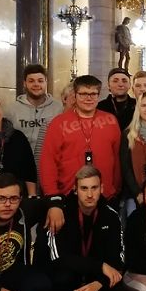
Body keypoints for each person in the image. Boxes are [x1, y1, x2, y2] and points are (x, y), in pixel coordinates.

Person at [36, 166, 124, 291]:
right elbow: (57, 258)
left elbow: (118, 261)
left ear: (102, 189)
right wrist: (100, 266)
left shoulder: (111, 216)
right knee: (61, 277)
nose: (89, 194)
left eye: (94, 188)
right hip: (69, 271)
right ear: (75, 190)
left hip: (95, 276)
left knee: (118, 281)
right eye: (84, 188)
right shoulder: (61, 213)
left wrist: (98, 283)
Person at [40, 74, 122, 204]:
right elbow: (48, 161)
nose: (88, 98)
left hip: (105, 195)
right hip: (68, 194)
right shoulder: (58, 123)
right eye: (83, 94)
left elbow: (117, 158)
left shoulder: (111, 120)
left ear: (98, 95)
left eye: (93, 94)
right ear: (75, 95)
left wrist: (115, 189)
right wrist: (52, 196)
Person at [5, 64, 62, 177]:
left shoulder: (58, 107)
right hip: (20, 168)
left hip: (51, 166)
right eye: (31, 81)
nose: (36, 84)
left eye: (40, 81)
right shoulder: (11, 109)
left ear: (46, 83)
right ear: (24, 83)